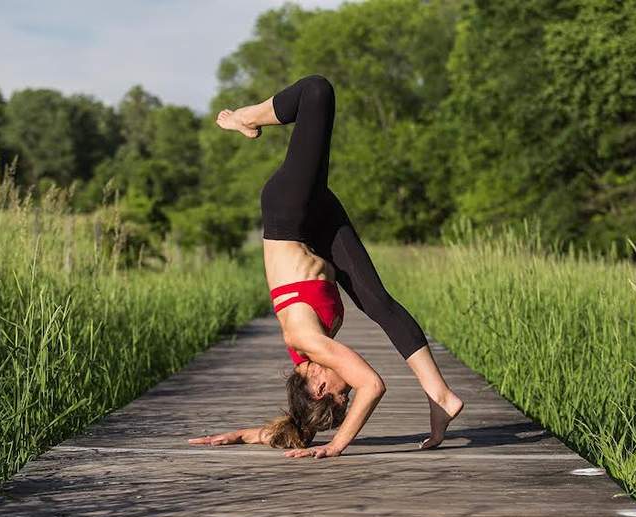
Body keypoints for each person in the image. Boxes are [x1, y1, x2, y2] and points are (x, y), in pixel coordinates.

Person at [188, 75, 463, 458]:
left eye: (340, 391)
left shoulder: (307, 341)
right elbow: (300, 423)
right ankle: (441, 396)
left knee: (317, 91)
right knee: (379, 303)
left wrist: (338, 445)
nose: (347, 384)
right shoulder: (312, 359)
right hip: (316, 226)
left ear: (317, 385)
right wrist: (248, 434)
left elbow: (372, 384)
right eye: (346, 392)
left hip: (288, 211)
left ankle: (246, 118)